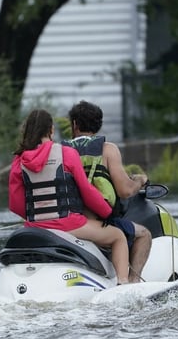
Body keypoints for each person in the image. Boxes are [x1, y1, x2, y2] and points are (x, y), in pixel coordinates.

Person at [8, 109, 131, 284]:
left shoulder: (19, 160)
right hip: (69, 224)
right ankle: (123, 284)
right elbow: (86, 191)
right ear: (51, 130)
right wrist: (106, 213)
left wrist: (39, 218)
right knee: (118, 236)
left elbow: (15, 204)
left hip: (35, 227)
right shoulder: (66, 153)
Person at [63, 100, 152, 282]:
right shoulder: (108, 150)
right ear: (98, 125)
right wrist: (140, 181)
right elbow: (125, 191)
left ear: (74, 124)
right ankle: (132, 284)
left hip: (66, 220)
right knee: (144, 234)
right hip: (95, 223)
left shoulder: (61, 151)